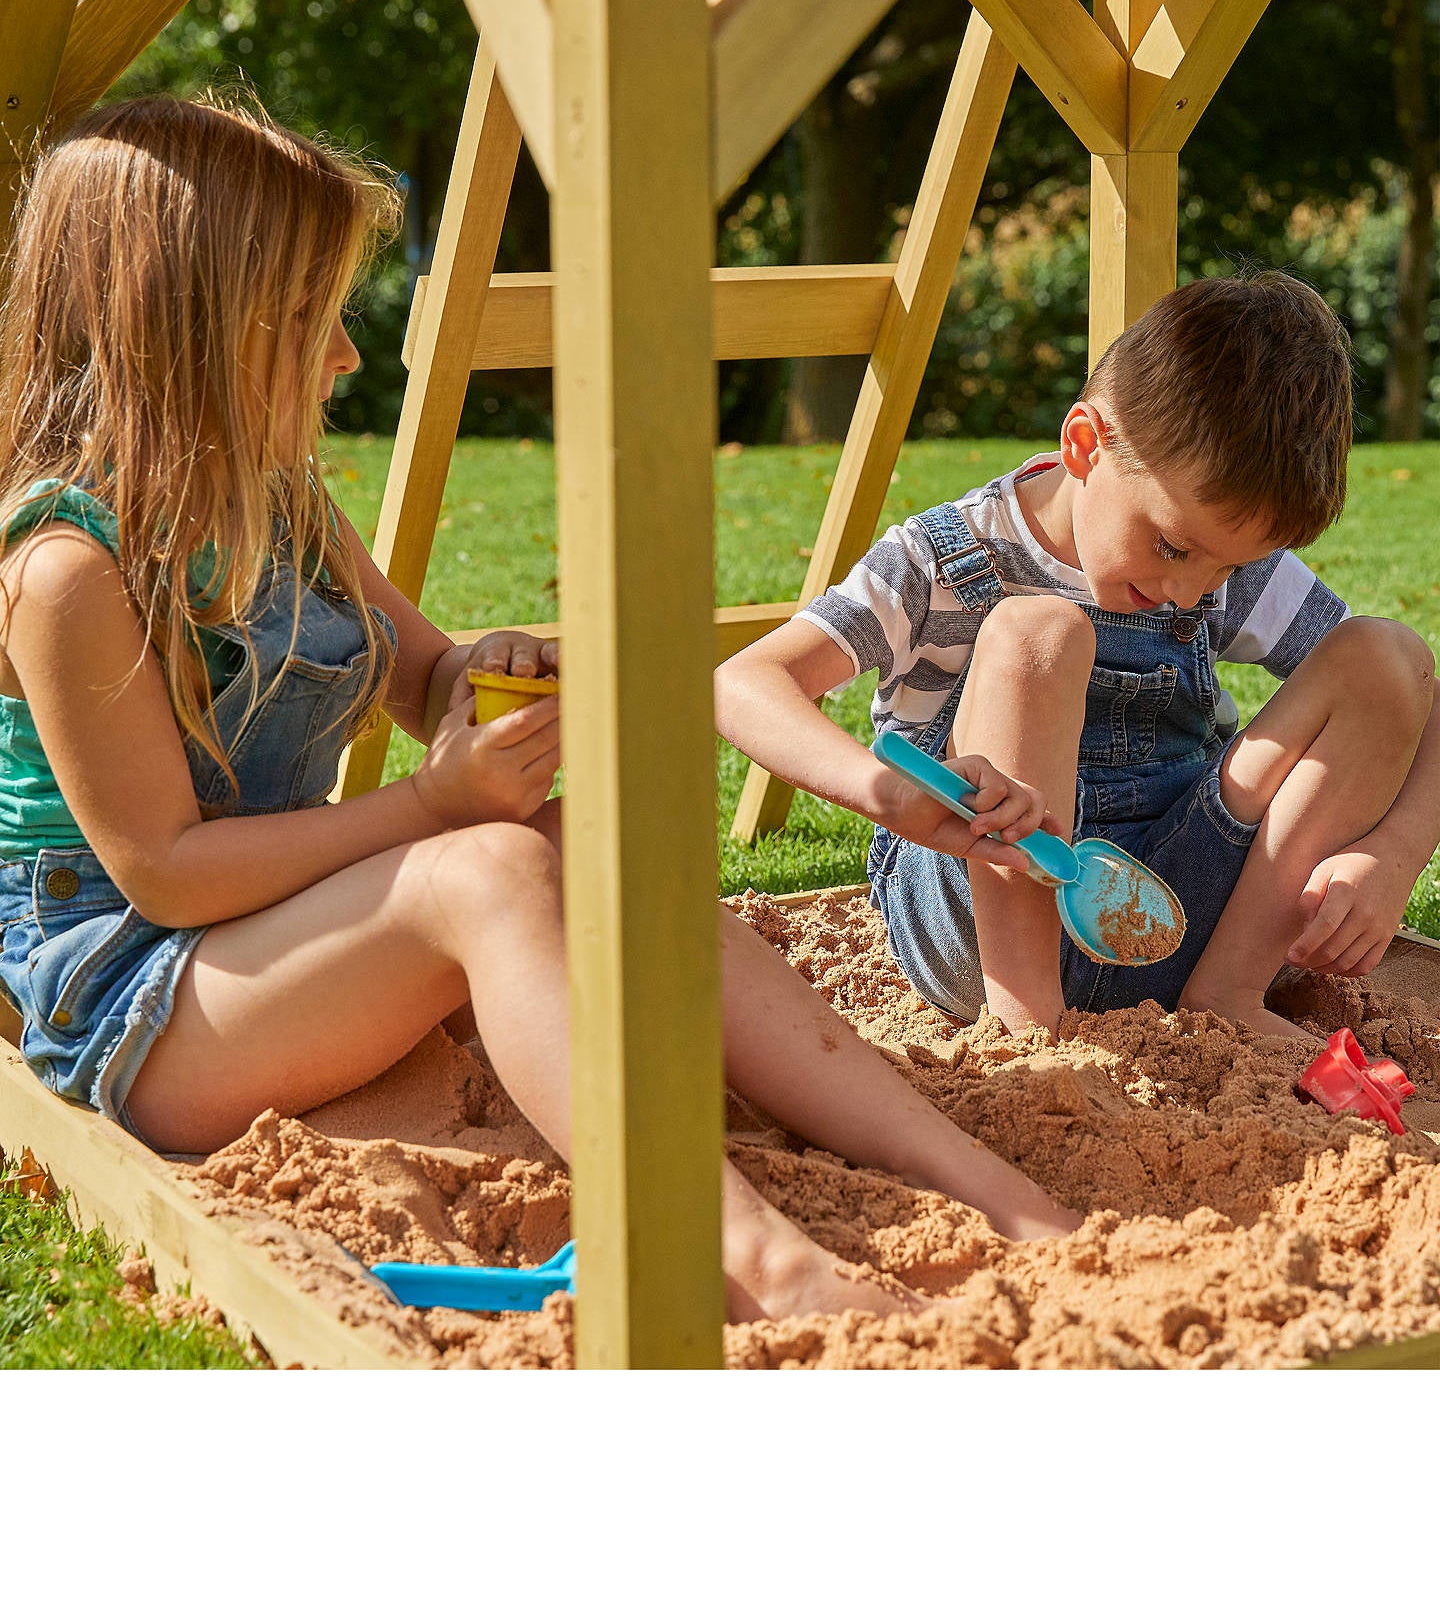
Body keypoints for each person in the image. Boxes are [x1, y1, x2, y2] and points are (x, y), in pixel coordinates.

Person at [0, 92, 1079, 1334]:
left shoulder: (276, 500)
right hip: (141, 1003)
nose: (346, 353)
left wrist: (478, 677)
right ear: (174, 334)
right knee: (487, 872)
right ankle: (743, 1258)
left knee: (577, 849)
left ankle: (965, 1171)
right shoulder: (68, 570)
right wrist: (433, 806)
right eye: (305, 320)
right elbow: (169, 874)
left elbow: (418, 681)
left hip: (269, 940)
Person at [716, 273, 1438, 1042]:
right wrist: (883, 793)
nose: (1186, 592)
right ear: (1084, 444)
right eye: (1173, 546)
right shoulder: (945, 558)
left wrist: (1396, 852)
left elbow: (1408, 699)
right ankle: (1028, 1028)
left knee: (1387, 656)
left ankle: (1230, 993)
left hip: (1177, 914)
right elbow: (743, 682)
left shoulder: (1218, 557)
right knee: (1040, 635)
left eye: (1224, 570)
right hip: (977, 927)